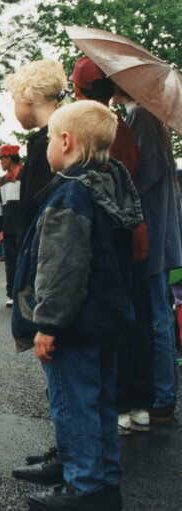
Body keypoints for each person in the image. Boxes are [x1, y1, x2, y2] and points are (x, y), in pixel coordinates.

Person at [10, 100, 140, 510]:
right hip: (106, 321)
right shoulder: (111, 186)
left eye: (49, 139)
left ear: (66, 141)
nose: (47, 145)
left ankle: (81, 486)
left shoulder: (70, 194)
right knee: (101, 404)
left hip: (73, 326)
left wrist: (48, 325)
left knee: (74, 406)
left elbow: (63, 267)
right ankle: (105, 484)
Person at [71, 56, 153, 435]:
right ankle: (141, 404)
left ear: (77, 88)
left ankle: (118, 404)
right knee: (138, 319)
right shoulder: (124, 125)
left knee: (111, 317)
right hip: (135, 229)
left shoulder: (88, 125)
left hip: (106, 231)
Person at [114, 82, 182, 427]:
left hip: (153, 231)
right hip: (163, 230)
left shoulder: (140, 114)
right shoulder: (146, 114)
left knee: (157, 315)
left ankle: (163, 397)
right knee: (161, 312)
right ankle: (162, 394)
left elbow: (147, 172)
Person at [5, 59, 70, 238]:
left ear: (30, 97)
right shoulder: (68, 134)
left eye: (15, 100)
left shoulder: (45, 144)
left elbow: (35, 208)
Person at [0, 145, 23, 305]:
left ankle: (25, 294)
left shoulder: (26, 176)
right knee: (10, 262)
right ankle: (12, 294)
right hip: (8, 228)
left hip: (23, 227)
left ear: (9, 159)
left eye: (2, 159)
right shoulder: (3, 180)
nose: (1, 162)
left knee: (24, 261)